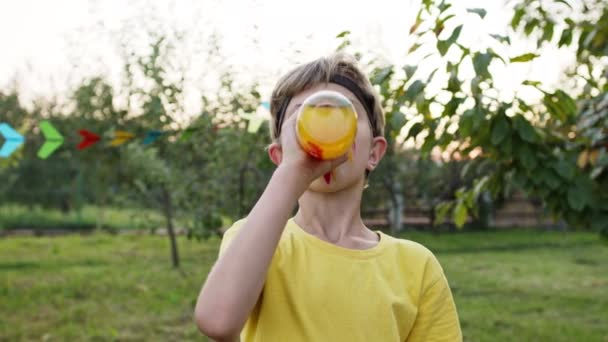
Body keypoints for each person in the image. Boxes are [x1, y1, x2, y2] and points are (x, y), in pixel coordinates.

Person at [194, 53, 462, 342]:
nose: (325, 124)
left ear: (373, 152)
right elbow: (218, 322)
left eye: (343, 112)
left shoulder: (415, 266)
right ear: (280, 154)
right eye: (302, 115)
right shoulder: (255, 243)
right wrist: (293, 172)